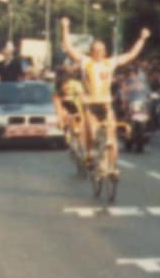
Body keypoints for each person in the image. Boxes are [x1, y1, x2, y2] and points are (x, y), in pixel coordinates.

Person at [58, 16, 149, 176]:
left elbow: (130, 55)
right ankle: (91, 156)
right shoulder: (86, 62)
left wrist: (142, 39)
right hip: (90, 104)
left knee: (111, 138)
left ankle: (112, 167)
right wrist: (65, 28)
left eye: (101, 49)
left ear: (105, 51)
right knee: (92, 133)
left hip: (106, 104)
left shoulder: (110, 63)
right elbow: (69, 47)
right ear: (91, 51)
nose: (98, 52)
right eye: (95, 49)